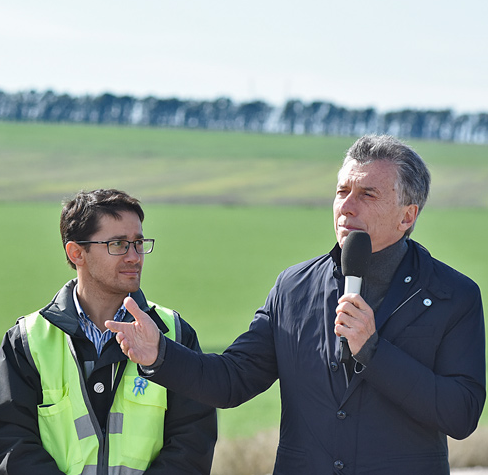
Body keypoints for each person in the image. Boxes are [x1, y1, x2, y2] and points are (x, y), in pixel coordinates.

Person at [107, 135, 485, 474]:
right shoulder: (294, 287)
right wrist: (159, 355)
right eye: (342, 192)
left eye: (368, 194)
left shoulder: (454, 295)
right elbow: (231, 381)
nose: (347, 207)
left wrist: (374, 351)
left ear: (408, 215)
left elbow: (461, 414)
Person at [0, 189, 216, 474]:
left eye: (138, 243)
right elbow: (9, 438)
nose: (134, 256)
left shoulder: (175, 334)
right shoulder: (27, 340)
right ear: (76, 252)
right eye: (118, 244)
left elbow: (193, 441)